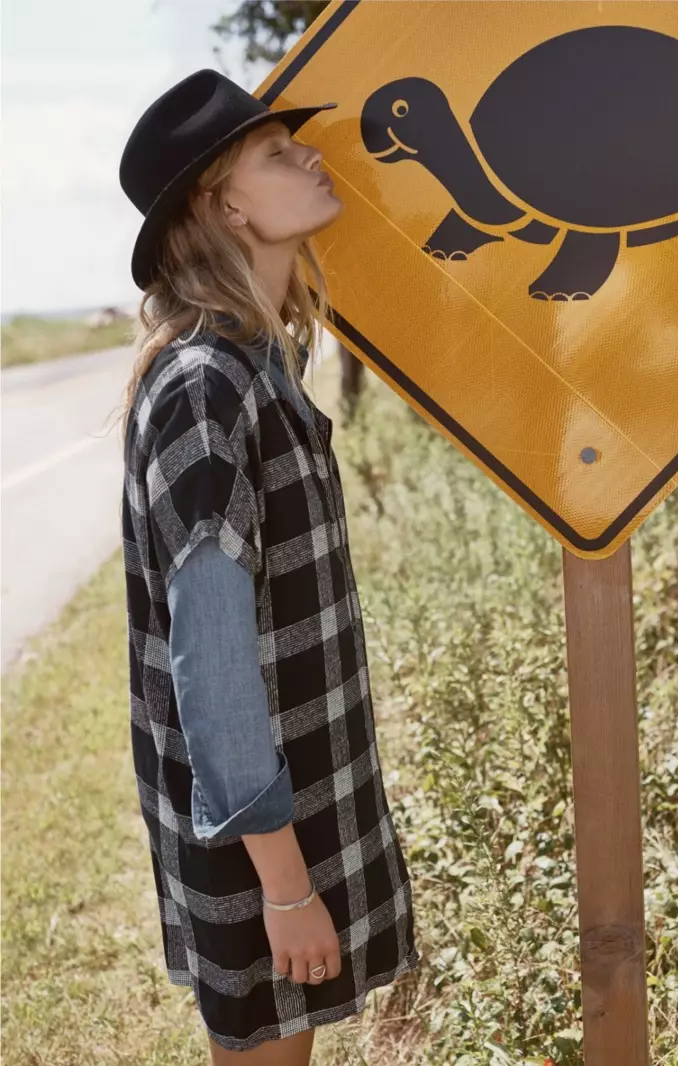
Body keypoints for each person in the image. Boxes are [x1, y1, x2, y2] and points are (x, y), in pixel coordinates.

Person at [115, 68, 420, 1064]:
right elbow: (211, 667)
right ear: (225, 203)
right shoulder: (206, 385)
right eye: (277, 154)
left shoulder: (252, 368)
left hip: (289, 808)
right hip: (259, 840)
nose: (312, 157)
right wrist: (285, 884)